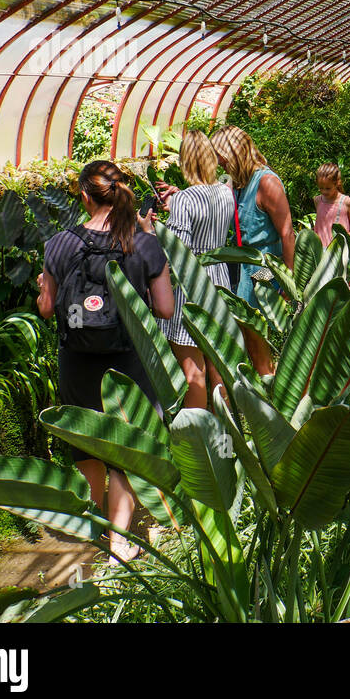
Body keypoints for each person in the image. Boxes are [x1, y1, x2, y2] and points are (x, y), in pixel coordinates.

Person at [36, 160, 174, 563]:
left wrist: (43, 288)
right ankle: (119, 540)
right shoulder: (143, 244)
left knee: (86, 442)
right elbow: (164, 309)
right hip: (128, 361)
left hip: (76, 359)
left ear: (84, 195)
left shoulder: (58, 243)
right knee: (124, 443)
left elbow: (46, 309)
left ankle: (100, 523)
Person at [153, 131, 235, 411]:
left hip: (191, 283)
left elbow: (176, 249)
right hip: (220, 278)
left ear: (185, 161)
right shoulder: (226, 193)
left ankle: (198, 439)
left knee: (193, 372)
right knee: (218, 365)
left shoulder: (185, 200)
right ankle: (227, 431)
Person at [211, 125, 293, 376]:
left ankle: (267, 378)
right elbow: (213, 197)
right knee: (247, 327)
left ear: (233, 154)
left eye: (221, 158)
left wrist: (289, 283)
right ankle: (265, 374)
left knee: (251, 324)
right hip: (243, 263)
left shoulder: (266, 183)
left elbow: (288, 233)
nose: (219, 163)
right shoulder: (237, 183)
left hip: (263, 266)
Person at [313, 162, 350, 247]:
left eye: (328, 188)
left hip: (339, 251)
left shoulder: (347, 202)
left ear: (337, 183)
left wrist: (342, 239)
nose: (324, 191)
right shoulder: (317, 200)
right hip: (319, 250)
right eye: (321, 188)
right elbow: (320, 225)